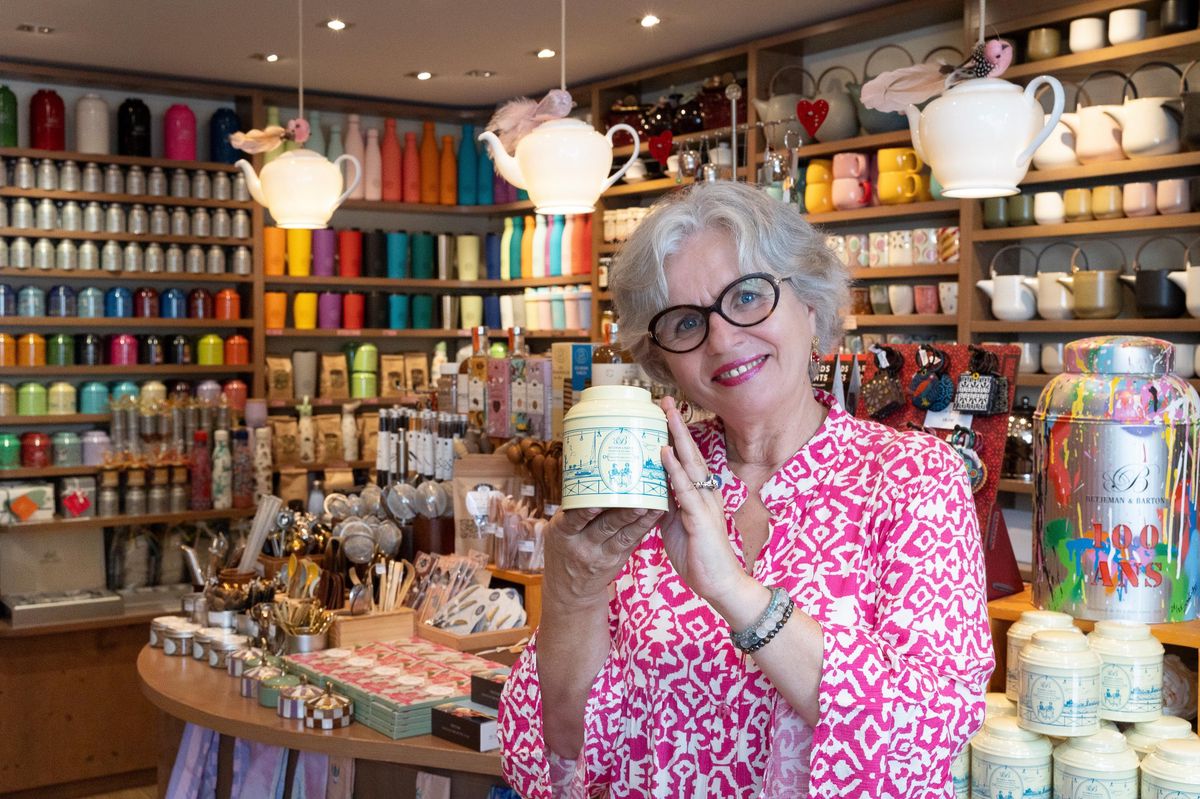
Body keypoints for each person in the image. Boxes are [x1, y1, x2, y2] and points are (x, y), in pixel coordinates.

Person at [498, 181, 994, 798]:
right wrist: (573, 591)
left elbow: (924, 735)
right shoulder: (647, 481)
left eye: (749, 296)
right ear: (662, 360)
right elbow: (557, 753)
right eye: (685, 321)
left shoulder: (912, 478)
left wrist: (734, 591)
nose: (724, 339)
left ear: (810, 305)